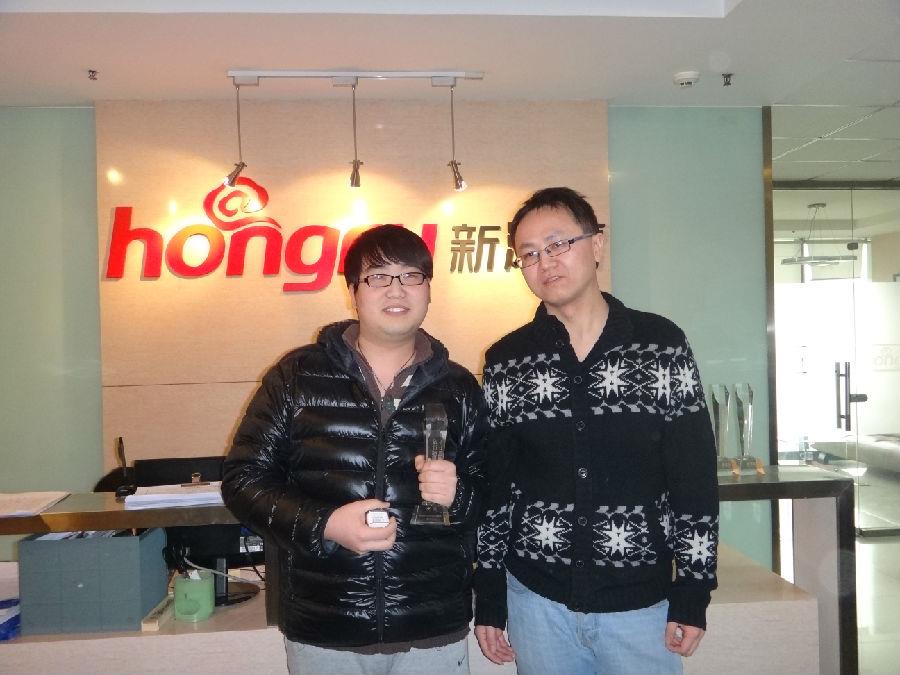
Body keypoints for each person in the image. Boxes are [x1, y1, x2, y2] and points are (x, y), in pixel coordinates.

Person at [473, 187, 719, 675]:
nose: (545, 262)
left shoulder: (660, 345)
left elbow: (693, 476)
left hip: (640, 606)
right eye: (529, 254)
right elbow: (496, 486)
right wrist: (490, 593)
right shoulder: (507, 360)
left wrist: (694, 587)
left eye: (558, 243)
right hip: (537, 601)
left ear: (597, 244)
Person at [222, 224, 488, 675]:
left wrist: (458, 495)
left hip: (432, 629)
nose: (396, 289)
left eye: (411, 276)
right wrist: (326, 524)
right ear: (353, 292)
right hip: (326, 629)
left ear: (428, 289)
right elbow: (242, 481)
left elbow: (492, 493)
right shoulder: (296, 377)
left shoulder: (459, 388)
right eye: (378, 276)